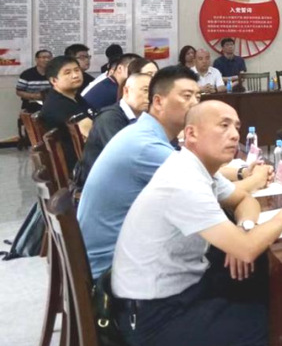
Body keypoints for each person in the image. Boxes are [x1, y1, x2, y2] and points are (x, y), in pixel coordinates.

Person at [111, 100, 282, 346]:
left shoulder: (197, 168)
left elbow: (244, 200)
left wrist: (244, 227)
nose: (234, 134)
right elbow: (246, 250)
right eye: (223, 125)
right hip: (153, 316)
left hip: (176, 286)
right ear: (191, 133)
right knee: (272, 323)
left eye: (236, 127)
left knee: (257, 281)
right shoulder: (184, 181)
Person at [78, 66, 200, 277]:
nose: (195, 104)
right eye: (187, 96)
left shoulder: (142, 129)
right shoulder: (143, 144)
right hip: (115, 270)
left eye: (198, 96)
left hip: (120, 253)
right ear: (158, 101)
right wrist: (250, 177)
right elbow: (204, 188)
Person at [75, 72, 151, 188]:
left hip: (121, 178)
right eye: (145, 90)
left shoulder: (143, 117)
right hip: (99, 184)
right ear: (126, 91)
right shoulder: (109, 118)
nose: (149, 96)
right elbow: (123, 158)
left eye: (152, 92)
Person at [38, 55, 95, 168]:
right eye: (67, 73)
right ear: (54, 80)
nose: (75, 75)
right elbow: (93, 133)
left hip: (86, 156)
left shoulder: (73, 96)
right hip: (80, 165)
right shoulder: (58, 104)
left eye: (77, 70)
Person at [16, 49, 52, 114]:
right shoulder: (27, 74)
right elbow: (19, 91)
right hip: (30, 106)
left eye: (49, 57)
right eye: (43, 57)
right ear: (36, 59)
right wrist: (33, 96)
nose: (46, 60)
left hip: (51, 106)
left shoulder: (56, 73)